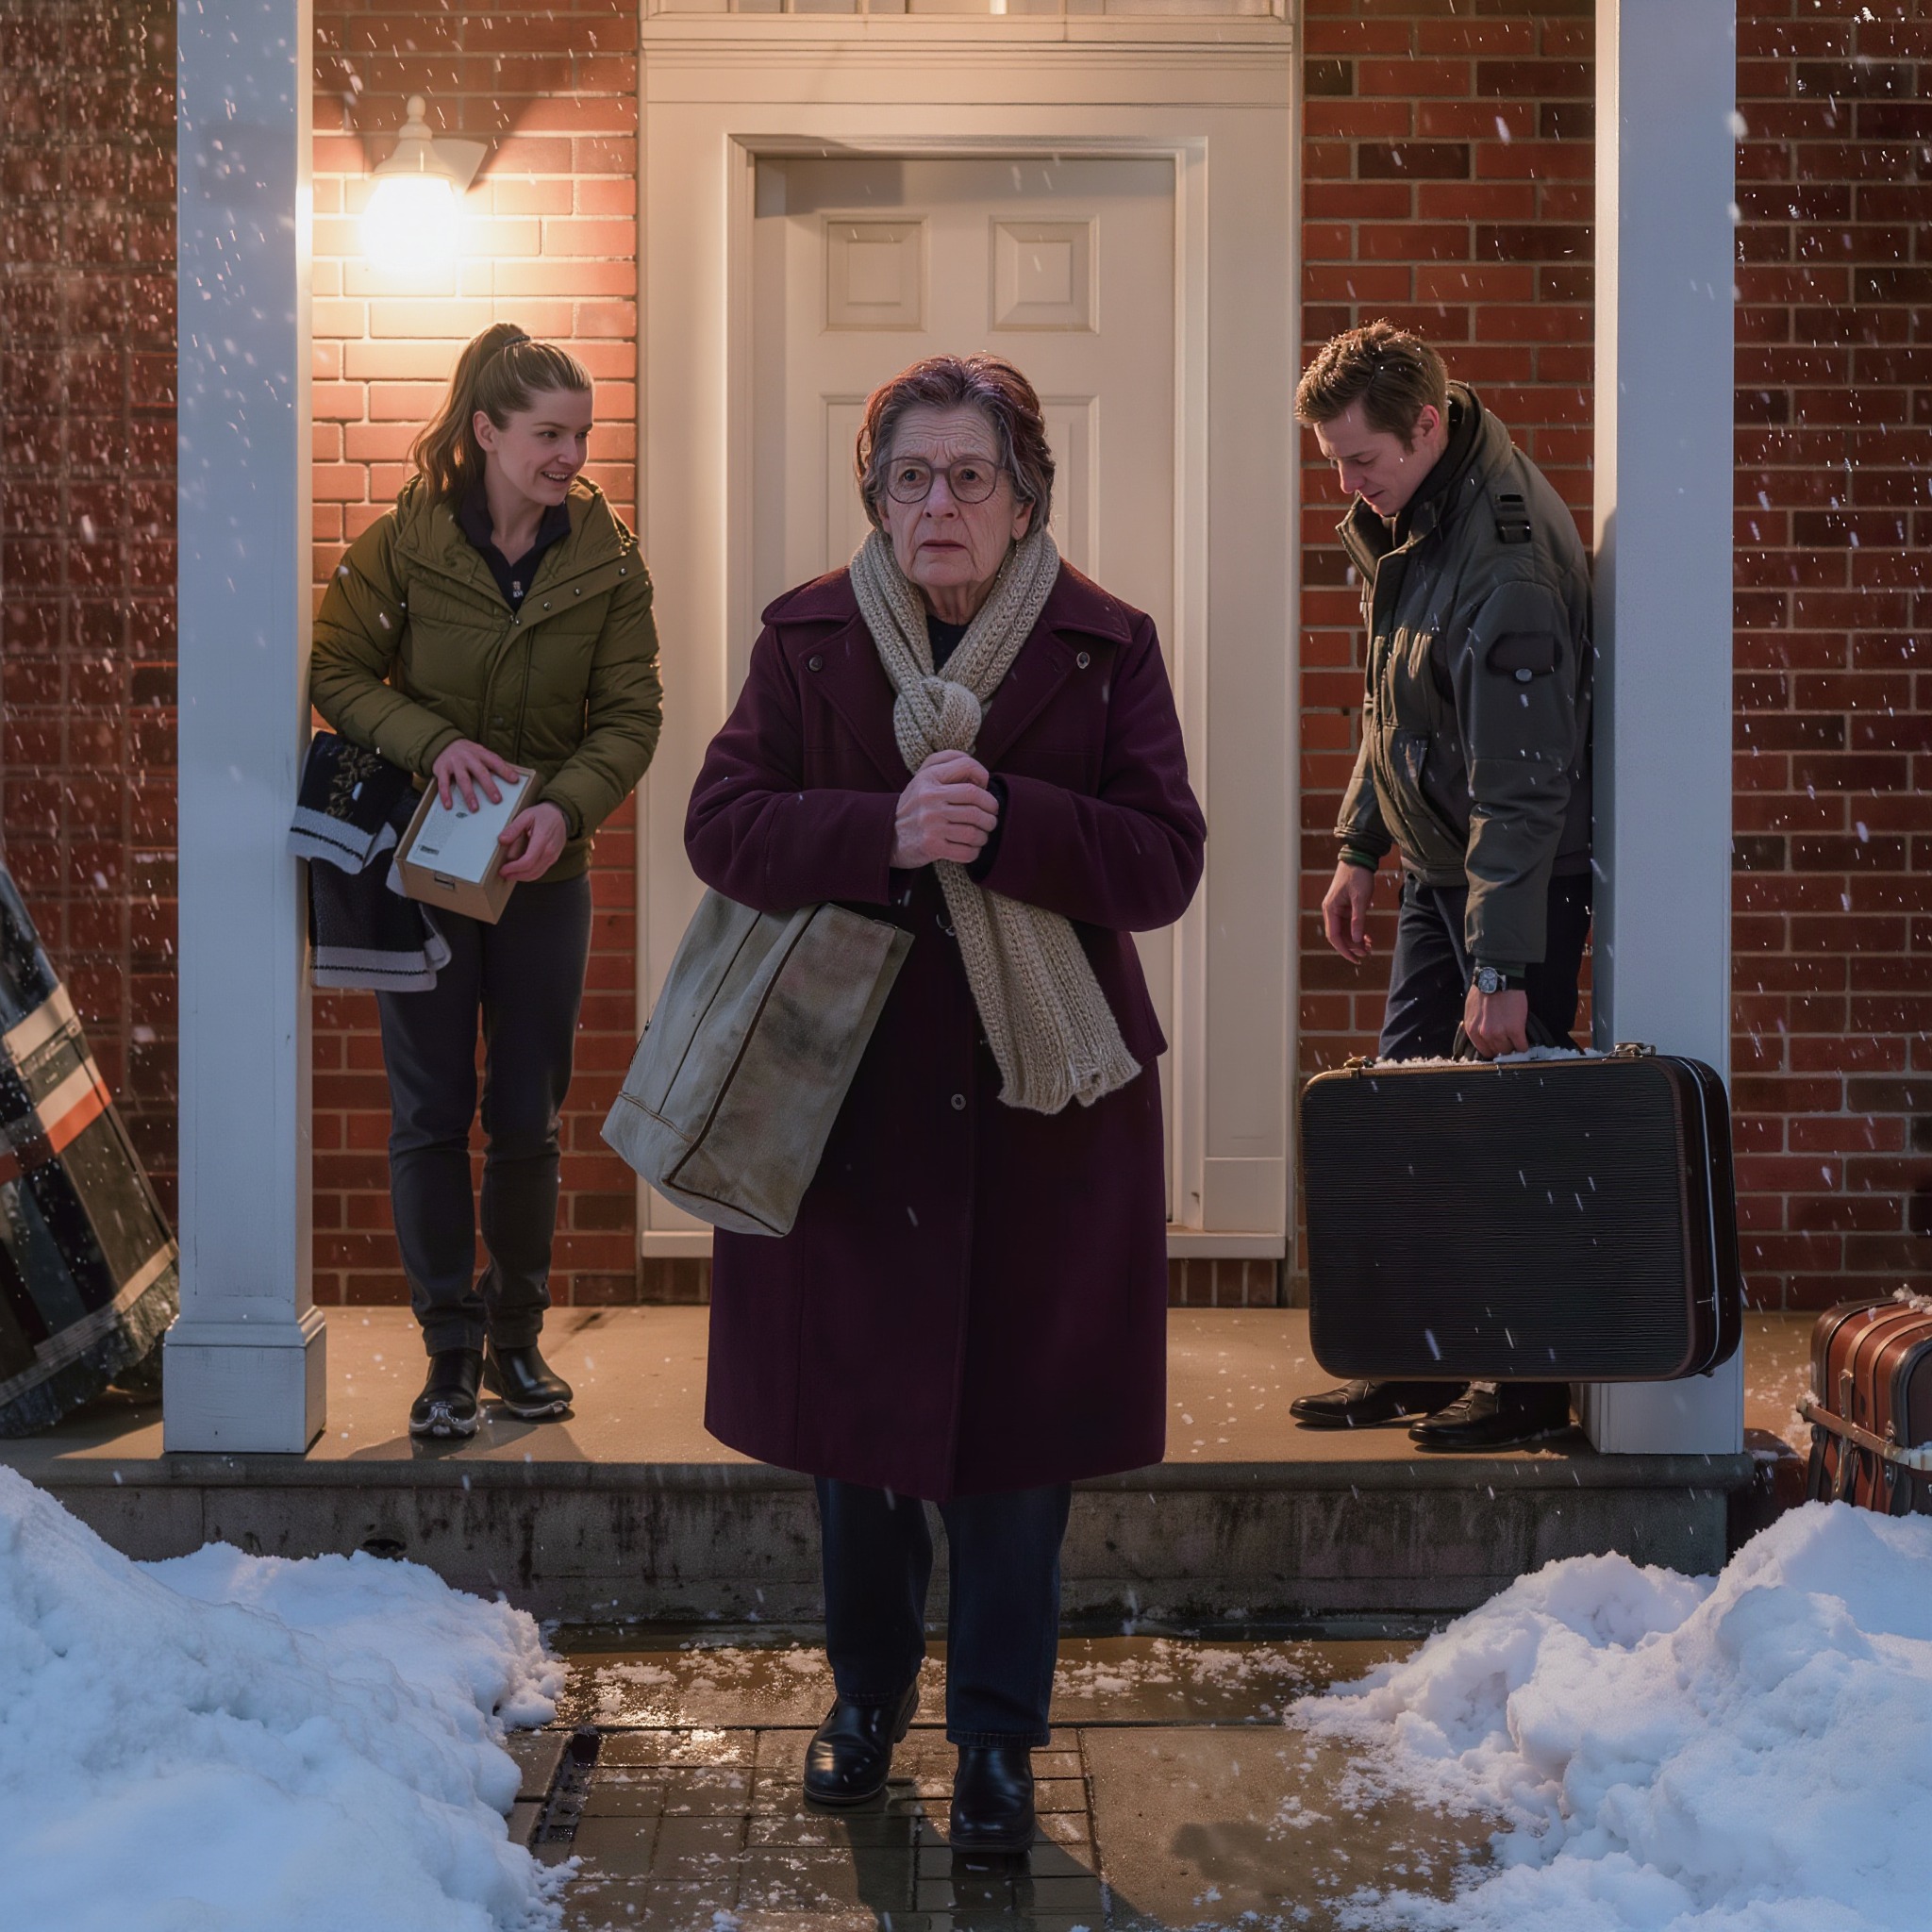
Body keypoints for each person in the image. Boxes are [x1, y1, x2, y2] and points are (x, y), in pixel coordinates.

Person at [686, 354, 1205, 1851]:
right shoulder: (807, 637)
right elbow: (723, 827)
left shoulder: (1108, 646)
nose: (938, 506)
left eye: (970, 477)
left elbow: (1165, 860)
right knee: (857, 1445)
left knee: (1018, 1456)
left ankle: (995, 1739)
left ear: (1025, 498)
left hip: (1051, 1120)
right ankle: (864, 1703)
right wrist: (884, 829)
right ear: (876, 497)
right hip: (848, 1109)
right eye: (909, 477)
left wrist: (1009, 822)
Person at [309, 324, 664, 1439]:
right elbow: (335, 671)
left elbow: (631, 714)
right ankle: (447, 1354)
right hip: (424, 868)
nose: (570, 455)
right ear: (487, 431)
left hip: (545, 873)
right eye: (548, 434)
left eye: (581, 434)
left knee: (525, 1113)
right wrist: (433, 742)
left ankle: (515, 1340)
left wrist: (565, 809)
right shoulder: (402, 545)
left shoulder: (608, 559)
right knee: (428, 1111)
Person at [1292, 322, 1593, 1453]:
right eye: (1331, 459)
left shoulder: (1503, 562)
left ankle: (1522, 1384)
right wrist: (1358, 845)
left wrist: (1502, 964)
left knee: (1501, 1133)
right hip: (1439, 867)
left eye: (1357, 458)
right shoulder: (1415, 514)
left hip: (1511, 884)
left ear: (1425, 425)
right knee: (1404, 1114)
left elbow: (1521, 781)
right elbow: (1398, 706)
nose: (1343, 482)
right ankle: (1413, 1360)